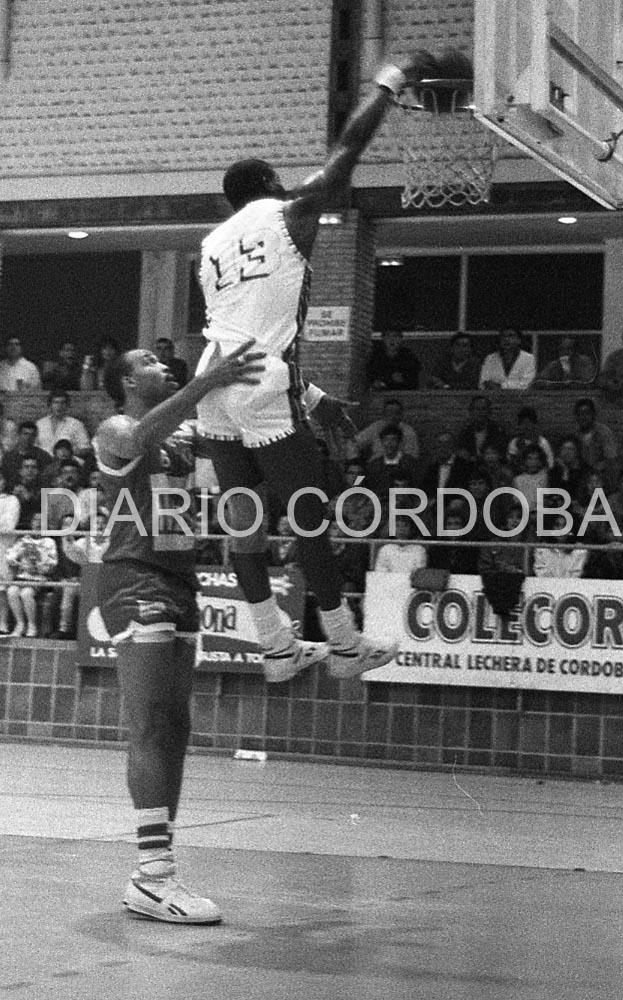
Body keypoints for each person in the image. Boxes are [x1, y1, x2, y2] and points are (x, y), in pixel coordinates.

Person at [194, 50, 435, 681]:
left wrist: (312, 393)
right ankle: (345, 646)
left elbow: (246, 325)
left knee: (243, 524)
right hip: (258, 380)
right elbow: (348, 148)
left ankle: (275, 647)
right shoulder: (287, 212)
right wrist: (389, 82)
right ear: (272, 186)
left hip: (212, 382)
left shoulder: (210, 246)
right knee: (309, 521)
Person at [94, 339, 264, 924]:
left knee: (176, 727)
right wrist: (206, 381)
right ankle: (152, 874)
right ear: (125, 384)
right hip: (132, 579)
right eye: (145, 362)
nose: (161, 364)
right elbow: (140, 438)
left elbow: (239, 448)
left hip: (180, 580)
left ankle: (158, 867)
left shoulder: (187, 440)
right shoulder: (115, 429)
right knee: (148, 720)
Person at [6, 512, 58, 637]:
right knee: (11, 591)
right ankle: (20, 624)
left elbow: (53, 563)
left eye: (41, 521)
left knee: (26, 593)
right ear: (31, 523)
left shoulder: (49, 542)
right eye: (35, 520)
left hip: (39, 578)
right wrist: (18, 560)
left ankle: (32, 626)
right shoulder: (24, 539)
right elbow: (10, 557)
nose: (38, 523)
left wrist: (39, 564)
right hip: (22, 576)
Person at [347, 397, 420, 462]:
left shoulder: (409, 432)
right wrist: (355, 461)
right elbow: (353, 443)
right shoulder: (375, 427)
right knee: (358, 476)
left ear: (401, 415)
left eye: (396, 413)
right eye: (389, 413)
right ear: (383, 414)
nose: (392, 416)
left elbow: (412, 458)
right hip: (374, 469)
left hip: (398, 470)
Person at [572, 397, 619, 489]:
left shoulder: (604, 433)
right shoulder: (575, 435)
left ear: (593, 414)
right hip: (582, 479)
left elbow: (611, 460)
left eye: (586, 413)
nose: (583, 417)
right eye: (579, 414)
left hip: (602, 479)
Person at [455, 394, 507, 463]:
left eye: (483, 409)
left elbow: (500, 454)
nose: (480, 412)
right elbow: (461, 452)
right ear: (471, 412)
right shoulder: (465, 432)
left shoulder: (497, 432)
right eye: (477, 409)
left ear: (489, 411)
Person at [36, 391, 91, 456]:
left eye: (62, 403)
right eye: (56, 403)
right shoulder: (40, 424)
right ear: (50, 405)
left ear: (67, 405)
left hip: (67, 462)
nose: (59, 406)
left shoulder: (76, 424)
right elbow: (33, 447)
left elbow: (86, 448)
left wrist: (69, 454)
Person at [3, 421, 52, 491]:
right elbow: (4, 479)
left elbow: (47, 480)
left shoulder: (44, 456)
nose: (28, 437)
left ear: (36, 437)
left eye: (32, 435)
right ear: (19, 435)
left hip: (37, 494)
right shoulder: (8, 457)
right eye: (25, 434)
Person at [506, 406, 554, 473]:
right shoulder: (514, 443)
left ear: (534, 424)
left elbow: (550, 464)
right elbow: (510, 463)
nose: (526, 426)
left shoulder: (542, 442)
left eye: (529, 423)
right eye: (523, 423)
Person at [0, 472, 20, 634]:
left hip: (3, 548)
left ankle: (3, 624)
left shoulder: (12, 500)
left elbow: (8, 524)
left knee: (2, 589)